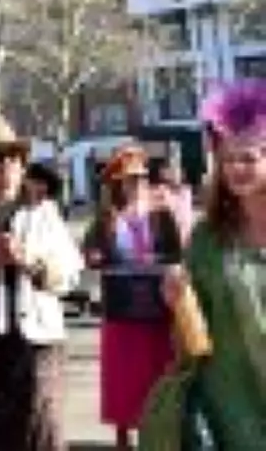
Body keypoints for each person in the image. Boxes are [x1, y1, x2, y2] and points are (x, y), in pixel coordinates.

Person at [152, 80, 266, 447]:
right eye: (228, 159)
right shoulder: (207, 238)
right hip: (233, 402)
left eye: (248, 157)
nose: (236, 168)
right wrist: (176, 299)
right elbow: (191, 337)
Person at [0, 119, 83, 451]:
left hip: (41, 342)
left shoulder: (43, 210)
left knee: (44, 432)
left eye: (13, 159)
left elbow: (70, 273)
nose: (7, 167)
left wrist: (28, 261)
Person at [82, 145, 181, 451]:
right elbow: (89, 253)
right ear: (117, 184)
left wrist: (161, 260)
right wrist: (95, 256)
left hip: (157, 310)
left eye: (139, 178)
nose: (135, 184)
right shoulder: (106, 218)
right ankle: (123, 440)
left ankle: (160, 435)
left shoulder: (162, 214)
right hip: (121, 310)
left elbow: (178, 253)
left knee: (159, 374)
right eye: (128, 180)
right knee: (123, 379)